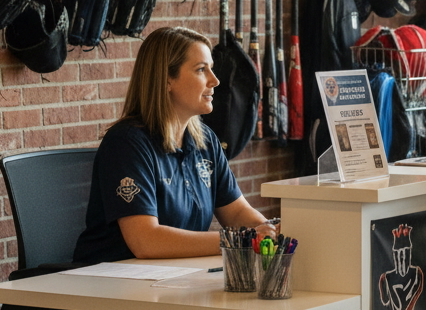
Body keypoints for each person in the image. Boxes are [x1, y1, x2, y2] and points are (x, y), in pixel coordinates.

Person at [74, 27, 275, 264]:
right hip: (111, 285)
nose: (215, 80)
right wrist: (241, 240)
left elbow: (237, 212)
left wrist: (267, 230)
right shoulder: (127, 143)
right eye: (201, 70)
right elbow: (146, 241)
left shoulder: (206, 140)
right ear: (167, 79)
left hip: (173, 276)